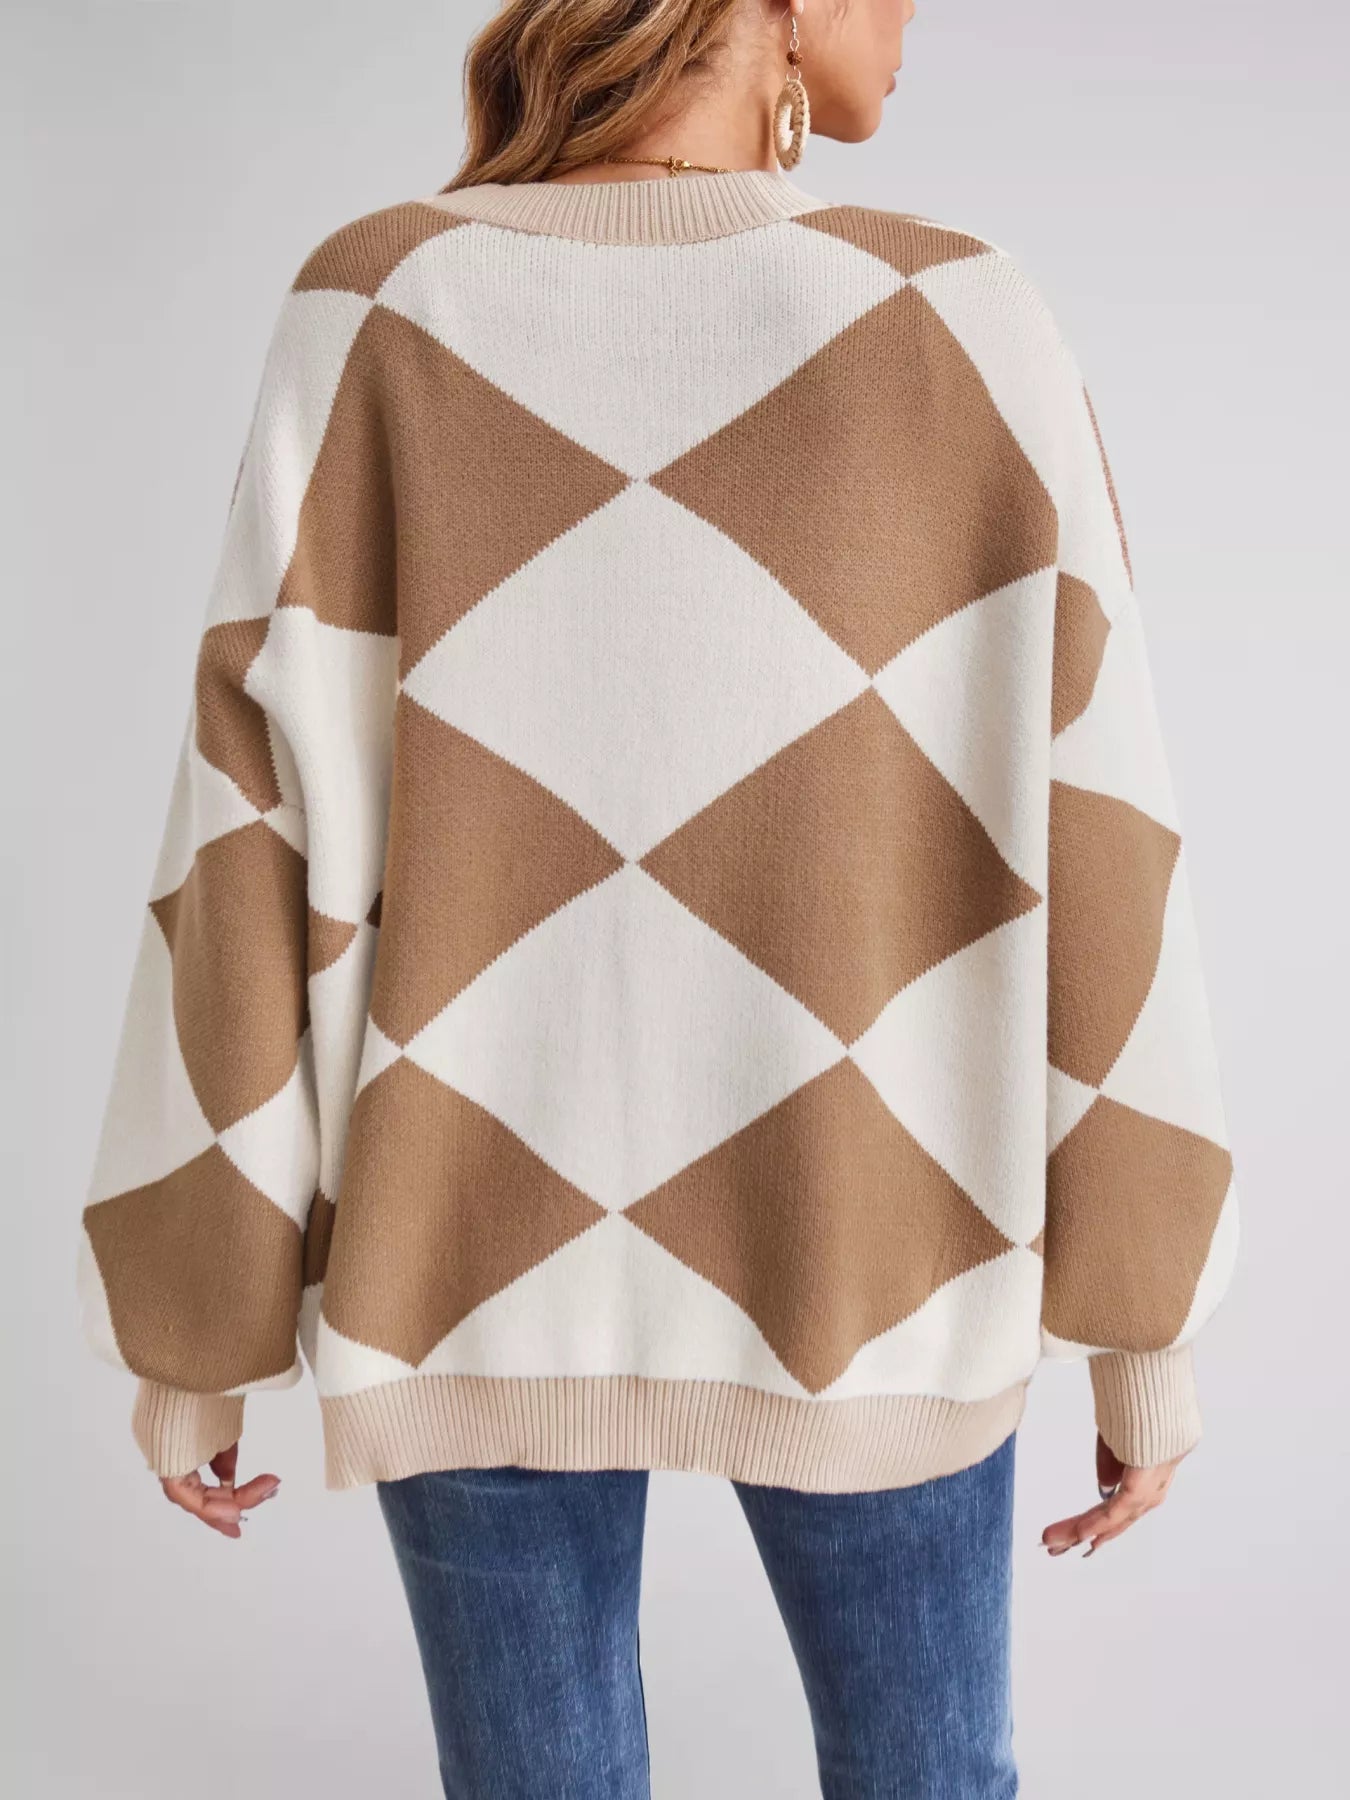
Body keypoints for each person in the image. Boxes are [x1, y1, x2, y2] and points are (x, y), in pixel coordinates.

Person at [76, 1, 1238, 1794]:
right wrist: (1138, 1333)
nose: (912, 18)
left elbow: (242, 834)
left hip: (461, 1249)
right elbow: (1105, 819)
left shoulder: (379, 301)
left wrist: (197, 1334)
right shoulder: (960, 315)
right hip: (883, 1248)